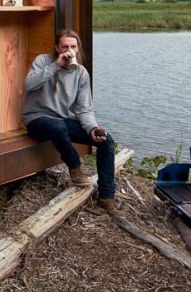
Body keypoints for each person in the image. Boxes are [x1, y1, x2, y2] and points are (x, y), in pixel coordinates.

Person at [22, 28, 119, 211]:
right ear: (57, 48)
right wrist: (56, 66)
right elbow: (29, 84)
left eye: (73, 46)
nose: (69, 50)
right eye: (65, 46)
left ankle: (106, 197)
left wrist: (91, 128)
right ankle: (74, 167)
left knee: (107, 140)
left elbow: (84, 108)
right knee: (57, 125)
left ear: (78, 48)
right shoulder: (43, 61)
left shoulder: (81, 72)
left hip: (62, 121)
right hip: (37, 119)